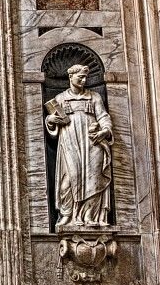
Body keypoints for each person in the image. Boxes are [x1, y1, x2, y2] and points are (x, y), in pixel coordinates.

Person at [46, 63, 114, 227]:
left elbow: (103, 117)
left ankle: (90, 216)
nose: (84, 80)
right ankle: (68, 215)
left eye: (86, 77)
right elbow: (51, 119)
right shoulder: (61, 98)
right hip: (69, 142)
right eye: (80, 77)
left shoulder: (94, 97)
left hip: (92, 142)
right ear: (71, 77)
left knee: (94, 179)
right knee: (67, 182)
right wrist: (50, 120)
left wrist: (105, 130)